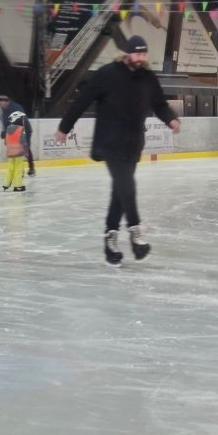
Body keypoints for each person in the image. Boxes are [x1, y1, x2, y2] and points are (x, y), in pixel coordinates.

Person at [54, 35, 180, 266]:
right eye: (136, 53)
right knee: (127, 186)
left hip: (133, 143)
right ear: (126, 53)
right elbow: (82, 101)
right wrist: (64, 127)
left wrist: (171, 119)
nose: (140, 58)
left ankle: (110, 239)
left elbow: (159, 104)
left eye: (143, 54)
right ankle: (135, 235)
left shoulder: (148, 78)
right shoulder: (107, 74)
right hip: (110, 142)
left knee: (120, 191)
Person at [0, 94, 35, 177]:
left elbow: (22, 120)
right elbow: (5, 123)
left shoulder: (16, 107)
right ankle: (20, 170)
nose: (0, 104)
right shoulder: (3, 111)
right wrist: (4, 132)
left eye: (1, 102)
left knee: (25, 148)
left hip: (25, 130)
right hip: (14, 132)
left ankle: (31, 168)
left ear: (6, 101)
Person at [2, 110, 28, 193]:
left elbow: (5, 142)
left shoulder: (8, 128)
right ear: (17, 119)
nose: (23, 120)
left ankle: (6, 184)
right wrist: (26, 152)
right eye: (21, 119)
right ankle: (18, 186)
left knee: (10, 168)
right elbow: (24, 142)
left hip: (10, 153)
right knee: (18, 169)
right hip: (19, 153)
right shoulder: (21, 129)